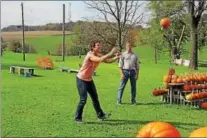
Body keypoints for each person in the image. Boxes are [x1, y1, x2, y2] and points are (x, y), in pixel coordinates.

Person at [75, 40, 120, 123]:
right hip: (81, 79)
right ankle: (78, 118)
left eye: (100, 45)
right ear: (93, 47)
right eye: (98, 45)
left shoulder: (98, 54)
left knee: (95, 98)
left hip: (89, 80)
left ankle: (101, 115)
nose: (100, 47)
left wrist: (116, 57)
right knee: (83, 99)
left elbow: (107, 61)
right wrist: (111, 53)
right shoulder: (90, 55)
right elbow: (99, 59)